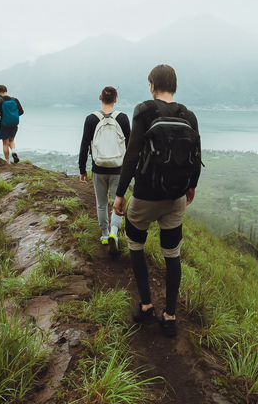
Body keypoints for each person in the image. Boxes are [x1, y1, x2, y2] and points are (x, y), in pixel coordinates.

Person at [113, 65, 201, 337]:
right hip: (176, 197)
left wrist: (120, 193)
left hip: (146, 195)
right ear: (174, 86)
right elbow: (196, 155)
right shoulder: (189, 115)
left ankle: (147, 307)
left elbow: (132, 155)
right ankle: (170, 317)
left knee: (135, 243)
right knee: (172, 254)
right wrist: (191, 186)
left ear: (152, 85)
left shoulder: (145, 111)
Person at [78, 86, 131, 254]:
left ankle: (104, 234)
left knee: (101, 203)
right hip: (118, 169)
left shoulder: (91, 119)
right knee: (118, 201)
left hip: (98, 168)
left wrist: (82, 169)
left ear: (100, 97)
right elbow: (130, 147)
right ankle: (114, 233)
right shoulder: (122, 118)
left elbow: (84, 145)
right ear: (116, 99)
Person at [0, 85, 24, 164]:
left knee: (5, 144)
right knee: (12, 140)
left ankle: (8, 162)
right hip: (14, 125)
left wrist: (2, 114)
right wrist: (13, 115)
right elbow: (21, 112)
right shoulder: (15, 100)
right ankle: (13, 152)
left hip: (4, 125)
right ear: (6, 90)